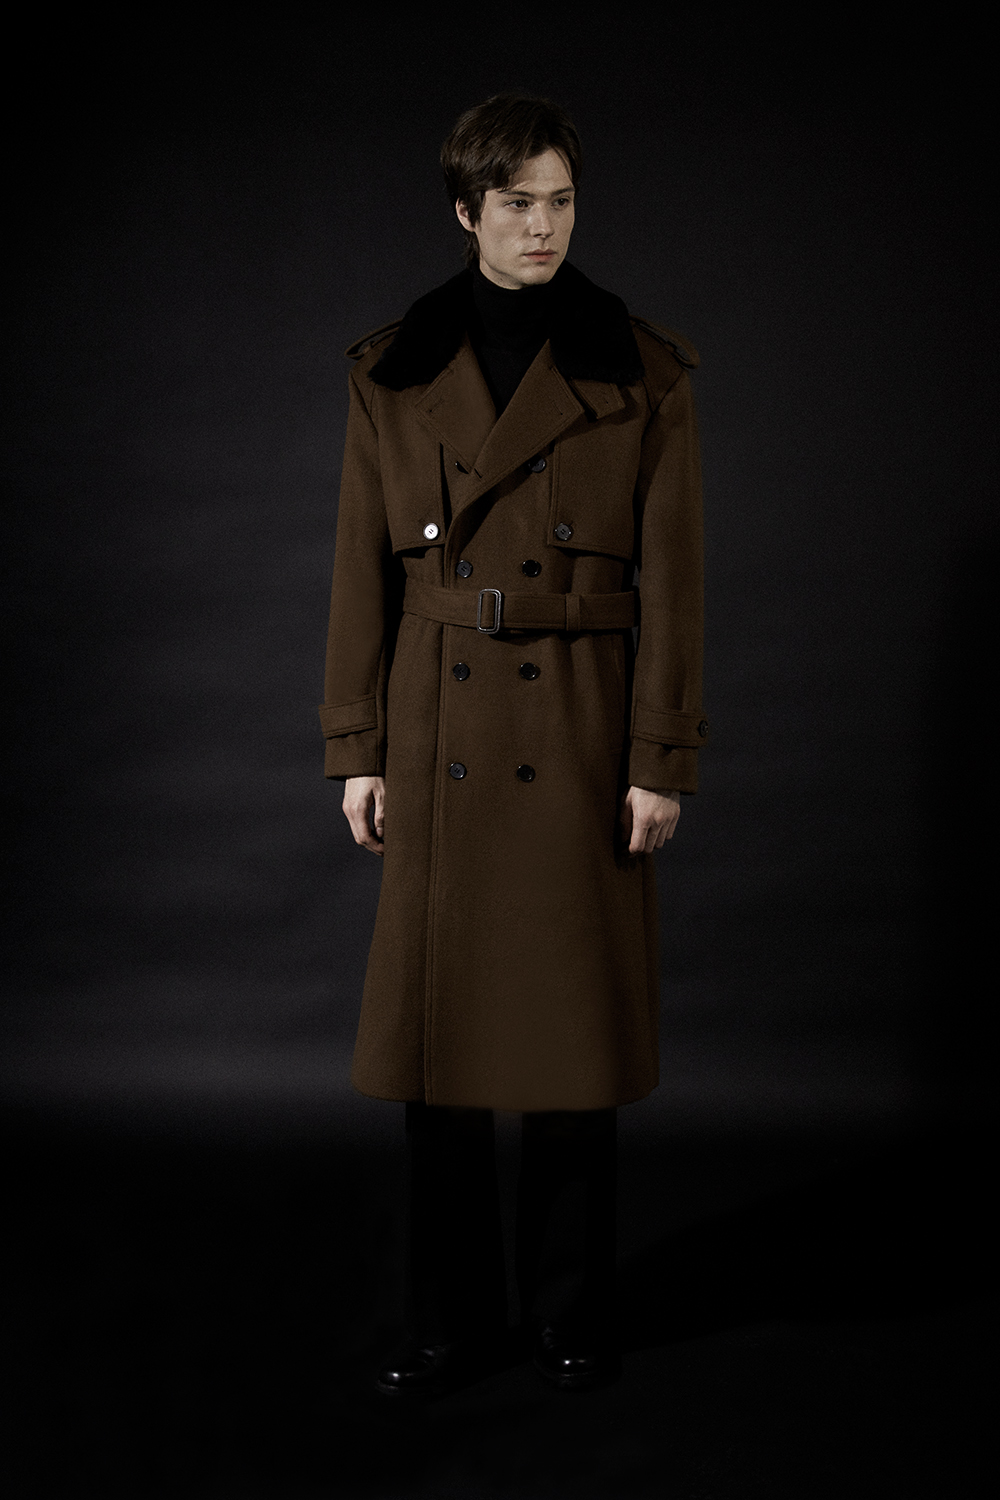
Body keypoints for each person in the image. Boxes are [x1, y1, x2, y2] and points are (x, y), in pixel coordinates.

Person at [320, 94, 707, 1394]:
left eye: (562, 202)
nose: (544, 226)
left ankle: (569, 1311)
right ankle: (450, 1322)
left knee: (569, 1044)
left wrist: (659, 758)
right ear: (466, 212)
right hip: (440, 724)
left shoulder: (645, 372)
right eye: (518, 203)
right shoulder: (392, 371)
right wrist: (357, 745)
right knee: (438, 1063)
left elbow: (676, 585)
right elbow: (359, 576)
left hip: (581, 727)